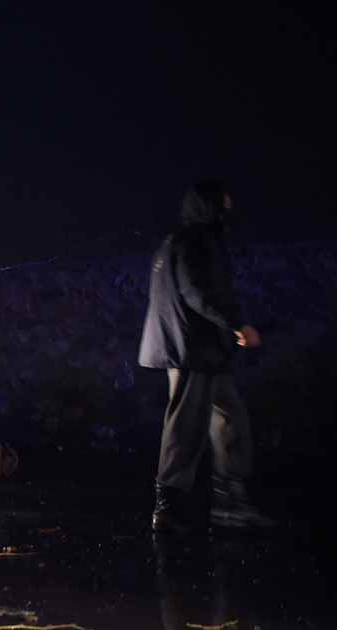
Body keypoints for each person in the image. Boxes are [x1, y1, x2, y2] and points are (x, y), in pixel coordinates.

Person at [138, 180, 273, 533]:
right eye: (222, 206)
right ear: (208, 207)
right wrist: (236, 325)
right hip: (192, 349)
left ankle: (230, 504)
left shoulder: (178, 242)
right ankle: (167, 508)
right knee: (186, 427)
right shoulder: (193, 242)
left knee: (230, 421)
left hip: (202, 350)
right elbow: (196, 291)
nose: (228, 212)